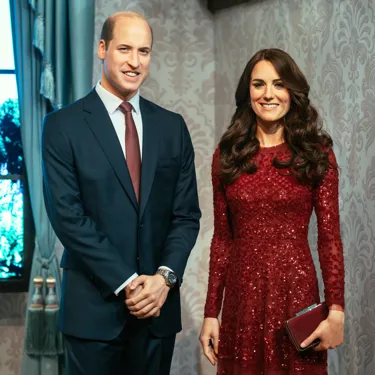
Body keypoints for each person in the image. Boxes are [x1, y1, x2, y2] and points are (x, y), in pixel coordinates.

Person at [42, 11, 201, 375]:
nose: (134, 61)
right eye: (124, 49)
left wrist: (164, 278)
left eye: (143, 51)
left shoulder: (172, 127)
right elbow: (68, 217)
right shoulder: (62, 125)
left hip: (157, 310)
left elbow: (186, 216)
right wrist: (128, 283)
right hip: (93, 313)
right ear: (102, 48)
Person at [199, 48, 345, 375]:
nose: (268, 94)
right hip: (241, 301)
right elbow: (222, 240)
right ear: (247, 92)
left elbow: (329, 238)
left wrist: (336, 310)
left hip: (296, 294)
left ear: (292, 92)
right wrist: (212, 312)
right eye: (258, 84)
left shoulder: (315, 153)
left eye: (278, 85)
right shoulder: (227, 156)